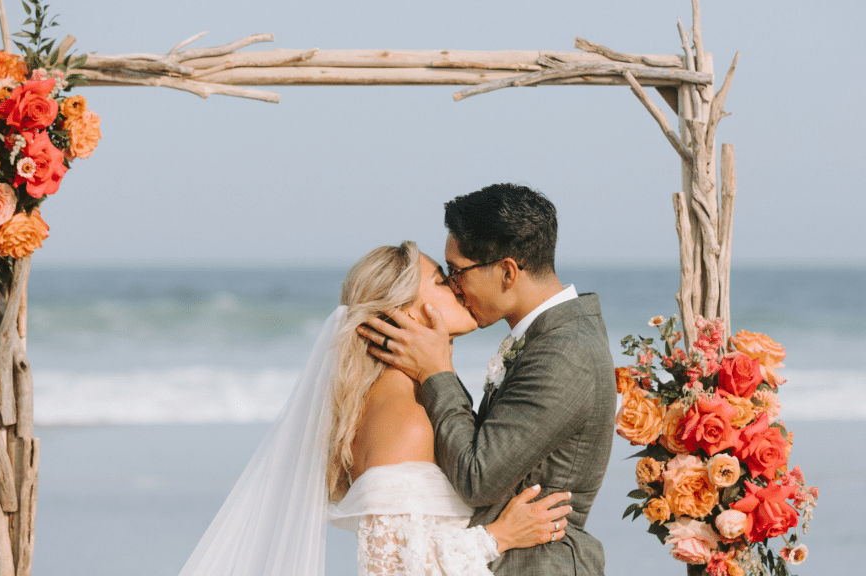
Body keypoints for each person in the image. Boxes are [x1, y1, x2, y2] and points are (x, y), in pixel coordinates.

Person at [178, 240, 571, 576]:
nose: (458, 287)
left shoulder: (403, 400)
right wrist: (499, 537)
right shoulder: (406, 420)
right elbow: (390, 568)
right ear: (402, 310)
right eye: (440, 281)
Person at [358, 184, 616, 576]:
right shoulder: (545, 338)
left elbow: (478, 478)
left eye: (457, 272)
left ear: (507, 272)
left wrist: (436, 371)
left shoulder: (565, 350)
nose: (456, 287)